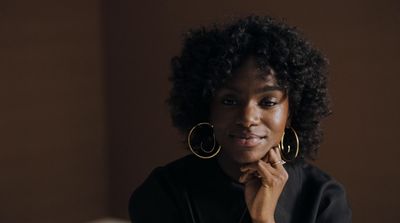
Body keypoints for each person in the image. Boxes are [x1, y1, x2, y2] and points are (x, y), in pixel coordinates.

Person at [129, 15, 352, 223]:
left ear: (291, 112)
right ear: (207, 107)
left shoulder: (323, 198)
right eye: (229, 101)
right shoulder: (165, 191)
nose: (247, 118)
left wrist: (264, 218)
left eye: (268, 102)